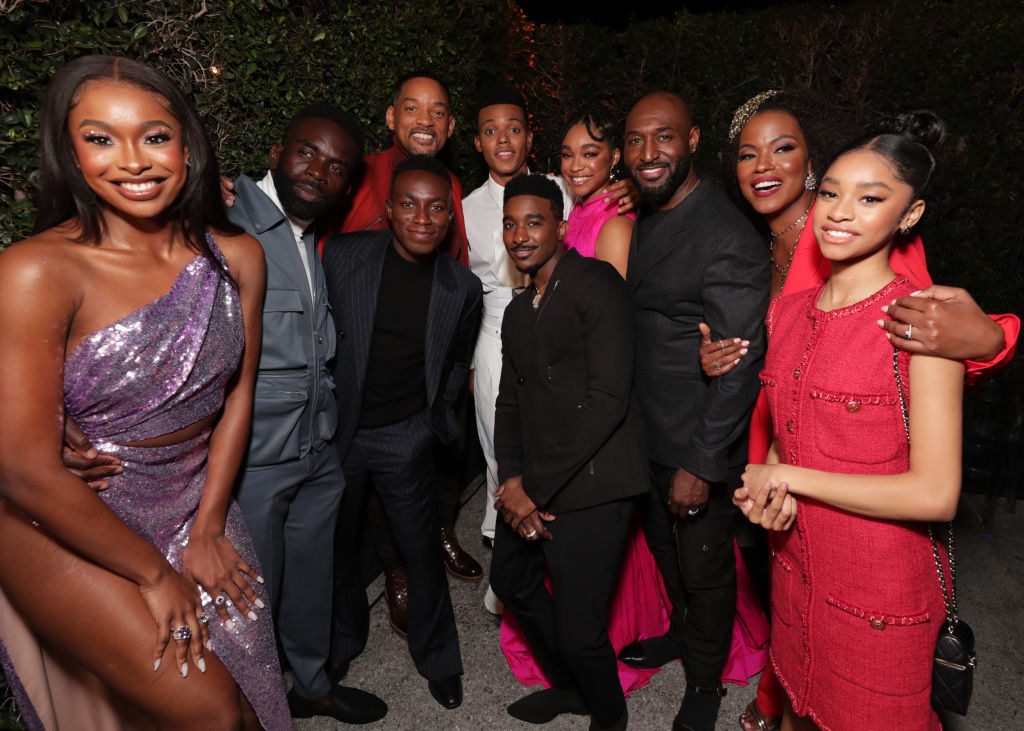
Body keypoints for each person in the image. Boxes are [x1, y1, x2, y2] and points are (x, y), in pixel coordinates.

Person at [710, 89, 1020, 731]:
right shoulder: (786, 313)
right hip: (795, 580)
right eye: (830, 192)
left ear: (911, 215)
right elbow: (783, 437)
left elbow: (936, 493)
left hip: (880, 597)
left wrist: (787, 478)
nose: (840, 212)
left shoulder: (922, 322)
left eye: (871, 197)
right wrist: (771, 489)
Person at [0, 55, 289, 729]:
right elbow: (22, 466)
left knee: (253, 697)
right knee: (211, 710)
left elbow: (237, 395)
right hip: (68, 517)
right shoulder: (35, 270)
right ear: (70, 153)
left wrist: (211, 524)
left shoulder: (236, 257)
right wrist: (156, 575)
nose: (133, 160)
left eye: (154, 136)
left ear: (187, 147)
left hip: (195, 498)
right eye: (101, 138)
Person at [224, 104, 387, 723]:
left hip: (317, 453)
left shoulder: (310, 237)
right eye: (308, 153)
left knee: (313, 582)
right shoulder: (225, 226)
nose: (319, 171)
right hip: (256, 462)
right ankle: (252, 709)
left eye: (337, 167)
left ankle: (312, 685)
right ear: (275, 153)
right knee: (247, 601)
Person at [618, 91, 770, 731]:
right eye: (634, 141)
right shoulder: (654, 212)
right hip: (643, 433)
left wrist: (703, 465)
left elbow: (739, 368)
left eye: (664, 138)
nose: (648, 154)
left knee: (705, 569)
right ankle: (683, 637)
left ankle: (705, 681)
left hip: (694, 443)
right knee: (663, 551)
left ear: (693, 139)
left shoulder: (726, 234)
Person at [490, 174, 648, 731]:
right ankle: (570, 688)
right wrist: (511, 480)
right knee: (511, 583)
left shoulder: (594, 281)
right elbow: (509, 404)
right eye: (511, 223)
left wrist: (533, 488)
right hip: (535, 478)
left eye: (534, 222)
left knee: (582, 631)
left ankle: (609, 716)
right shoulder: (516, 310)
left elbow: (609, 398)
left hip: (598, 479)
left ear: (560, 227)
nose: (520, 235)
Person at [323, 156, 482, 711]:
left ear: (450, 218)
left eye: (436, 207)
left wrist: (431, 422)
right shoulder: (343, 257)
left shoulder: (460, 286)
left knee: (421, 552)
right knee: (340, 550)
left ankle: (439, 656)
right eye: (409, 204)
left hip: (404, 437)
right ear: (388, 210)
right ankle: (341, 642)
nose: (422, 217)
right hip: (338, 434)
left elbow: (457, 360)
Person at [462, 83, 577, 615]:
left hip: (557, 332)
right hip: (493, 341)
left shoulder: (561, 189)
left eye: (513, 128)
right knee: (499, 449)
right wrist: (465, 361)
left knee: (557, 443)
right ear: (478, 143)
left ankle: (557, 556)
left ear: (529, 136)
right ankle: (508, 559)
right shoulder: (463, 209)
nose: (502, 138)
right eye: (490, 130)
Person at [559, 111, 635, 276]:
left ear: (613, 157)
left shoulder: (616, 225)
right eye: (567, 155)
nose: (575, 166)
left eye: (589, 154)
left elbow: (615, 301)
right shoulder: (577, 209)